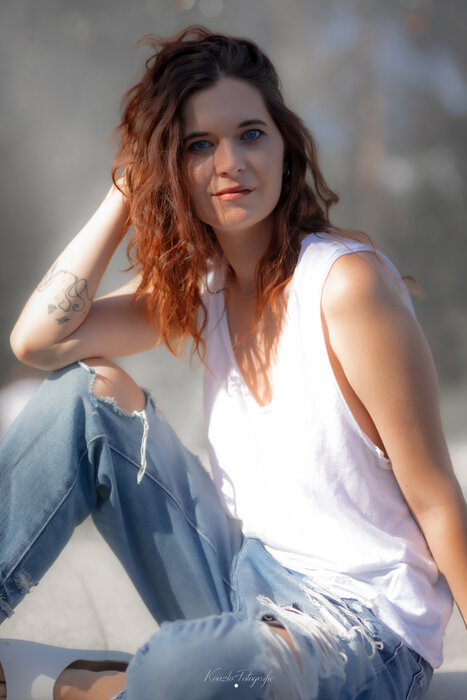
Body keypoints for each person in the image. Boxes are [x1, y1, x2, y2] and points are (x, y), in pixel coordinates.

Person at [0, 25, 466, 700]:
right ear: (171, 169)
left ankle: (79, 685)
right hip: (246, 583)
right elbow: (38, 341)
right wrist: (124, 194)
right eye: (198, 145)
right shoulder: (204, 289)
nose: (230, 163)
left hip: (360, 634)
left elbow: (436, 497)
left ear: (285, 148)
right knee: (84, 396)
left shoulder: (345, 285)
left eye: (250, 134)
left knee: (186, 670)